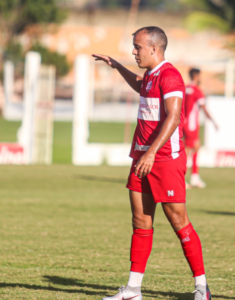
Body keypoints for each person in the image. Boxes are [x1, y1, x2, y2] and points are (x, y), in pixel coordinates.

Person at [93, 26, 211, 300]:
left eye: (137, 47)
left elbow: (173, 117)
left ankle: (202, 288)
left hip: (164, 160)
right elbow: (139, 84)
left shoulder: (170, 76)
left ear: (154, 49)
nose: (134, 51)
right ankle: (133, 290)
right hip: (142, 157)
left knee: (179, 221)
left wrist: (150, 154)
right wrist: (116, 66)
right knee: (140, 221)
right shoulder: (150, 75)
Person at [184, 68, 218, 188]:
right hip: (192, 124)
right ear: (196, 76)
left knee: (196, 146)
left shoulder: (185, 88)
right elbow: (203, 107)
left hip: (185, 122)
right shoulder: (197, 91)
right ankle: (181, 178)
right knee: (187, 150)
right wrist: (213, 121)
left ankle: (194, 176)